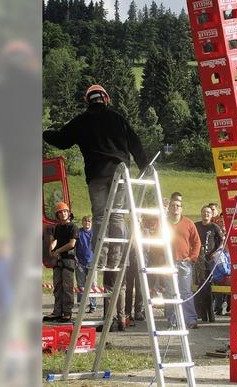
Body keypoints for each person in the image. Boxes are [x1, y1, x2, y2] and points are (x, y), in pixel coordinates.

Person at [43, 84, 148, 331]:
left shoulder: (82, 121)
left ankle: (101, 256)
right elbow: (135, 142)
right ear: (106, 99)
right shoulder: (118, 119)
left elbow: (61, 139)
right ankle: (117, 255)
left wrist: (43, 133)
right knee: (118, 217)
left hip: (98, 176)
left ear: (87, 100)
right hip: (120, 174)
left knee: (100, 217)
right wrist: (143, 165)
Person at [166, 197, 201, 329]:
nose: (175, 208)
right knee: (170, 292)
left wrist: (193, 257)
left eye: (178, 206)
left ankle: (190, 320)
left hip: (184, 263)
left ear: (181, 208)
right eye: (173, 205)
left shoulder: (188, 223)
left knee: (186, 292)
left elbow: (197, 242)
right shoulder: (163, 223)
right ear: (169, 208)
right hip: (168, 263)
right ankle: (172, 320)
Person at [43, 202, 78, 323]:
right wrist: (51, 249)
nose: (63, 214)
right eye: (60, 212)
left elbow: (71, 244)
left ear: (68, 213)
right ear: (57, 215)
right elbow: (55, 240)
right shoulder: (57, 228)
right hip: (58, 260)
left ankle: (67, 312)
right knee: (57, 287)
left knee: (67, 287)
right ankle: (57, 312)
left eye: (64, 212)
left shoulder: (73, 227)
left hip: (68, 260)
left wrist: (57, 250)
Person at [194, 205, 224, 322]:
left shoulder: (214, 227)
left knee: (207, 288)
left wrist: (216, 252)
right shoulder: (196, 226)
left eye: (208, 212)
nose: (206, 214)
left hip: (209, 261)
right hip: (198, 261)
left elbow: (222, 241)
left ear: (211, 215)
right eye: (204, 212)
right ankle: (201, 314)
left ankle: (210, 315)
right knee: (198, 288)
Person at [75, 215, 97, 313]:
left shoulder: (95, 233)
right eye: (85, 221)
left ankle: (93, 305)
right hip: (80, 262)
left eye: (89, 222)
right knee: (80, 284)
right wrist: (75, 259)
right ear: (82, 222)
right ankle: (81, 305)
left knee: (92, 284)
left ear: (91, 223)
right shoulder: (78, 232)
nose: (87, 223)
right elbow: (74, 246)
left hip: (92, 262)